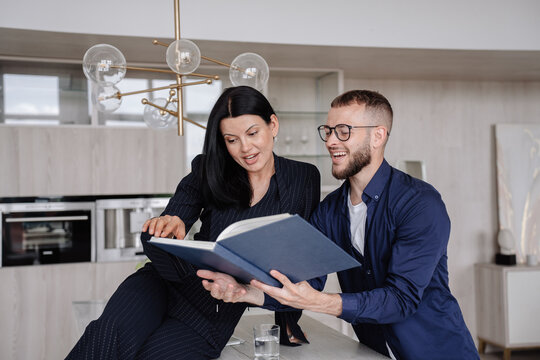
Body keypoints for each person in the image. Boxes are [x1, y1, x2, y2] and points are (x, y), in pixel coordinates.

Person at [199, 90, 479, 359]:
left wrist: (320, 302)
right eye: (329, 131)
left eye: (344, 131)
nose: (331, 140)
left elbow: (400, 300)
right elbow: (303, 281)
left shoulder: (420, 203)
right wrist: (244, 291)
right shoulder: (330, 210)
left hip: (437, 351)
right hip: (375, 351)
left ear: (377, 136)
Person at [66, 86, 322, 359]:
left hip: (214, 310)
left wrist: (287, 322)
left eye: (252, 133)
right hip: (161, 285)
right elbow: (174, 216)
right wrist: (168, 223)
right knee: (104, 338)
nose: (245, 148)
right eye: (231, 139)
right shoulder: (207, 169)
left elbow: (302, 259)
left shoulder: (303, 178)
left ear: (273, 125)